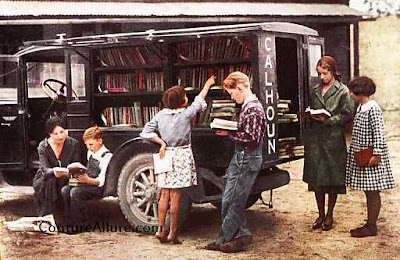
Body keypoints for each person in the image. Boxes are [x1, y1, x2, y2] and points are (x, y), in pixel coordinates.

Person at [140, 76, 216, 244]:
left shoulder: (160, 115)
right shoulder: (186, 113)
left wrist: (161, 142)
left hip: (165, 154)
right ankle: (173, 233)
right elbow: (199, 100)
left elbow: (145, 131)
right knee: (175, 196)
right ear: (183, 101)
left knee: (163, 194)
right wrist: (207, 85)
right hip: (181, 155)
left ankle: (160, 230)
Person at [204, 71, 266, 253]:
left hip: (246, 158)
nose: (232, 97)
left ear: (240, 87)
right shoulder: (249, 106)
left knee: (233, 201)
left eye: (232, 93)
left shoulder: (253, 109)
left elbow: (252, 139)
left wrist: (229, 133)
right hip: (242, 157)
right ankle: (239, 235)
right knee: (230, 199)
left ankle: (226, 238)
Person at [303, 55, 353, 231]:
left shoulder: (343, 91)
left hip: (333, 140)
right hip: (316, 139)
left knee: (332, 179)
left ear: (332, 72)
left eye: (324, 73)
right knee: (317, 179)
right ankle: (320, 214)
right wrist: (311, 115)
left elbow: (347, 114)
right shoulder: (315, 90)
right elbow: (312, 108)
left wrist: (329, 120)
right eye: (319, 74)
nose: (322, 77)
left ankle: (330, 214)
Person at [346, 76, 395, 237]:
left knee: (373, 191)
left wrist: (377, 154)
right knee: (368, 190)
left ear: (360, 92)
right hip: (362, 155)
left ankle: (371, 226)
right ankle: (369, 223)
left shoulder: (373, 109)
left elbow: (379, 134)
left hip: (371, 156)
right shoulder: (361, 107)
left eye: (352, 92)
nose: (350, 94)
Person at [61, 126, 112, 228]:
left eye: (91, 144)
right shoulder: (90, 152)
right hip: (88, 182)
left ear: (100, 141)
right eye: (87, 145)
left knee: (76, 192)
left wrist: (87, 180)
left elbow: (101, 181)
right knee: (65, 190)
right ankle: (68, 222)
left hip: (98, 187)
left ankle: (80, 224)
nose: (89, 147)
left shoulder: (106, 156)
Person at [33, 116, 81, 217]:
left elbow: (76, 164)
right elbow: (44, 169)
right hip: (45, 178)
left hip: (67, 176)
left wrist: (68, 172)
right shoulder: (43, 146)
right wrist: (54, 171)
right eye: (56, 134)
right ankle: (49, 216)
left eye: (62, 132)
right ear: (50, 134)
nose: (60, 136)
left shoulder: (73, 144)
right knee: (50, 182)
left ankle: (66, 218)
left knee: (67, 185)